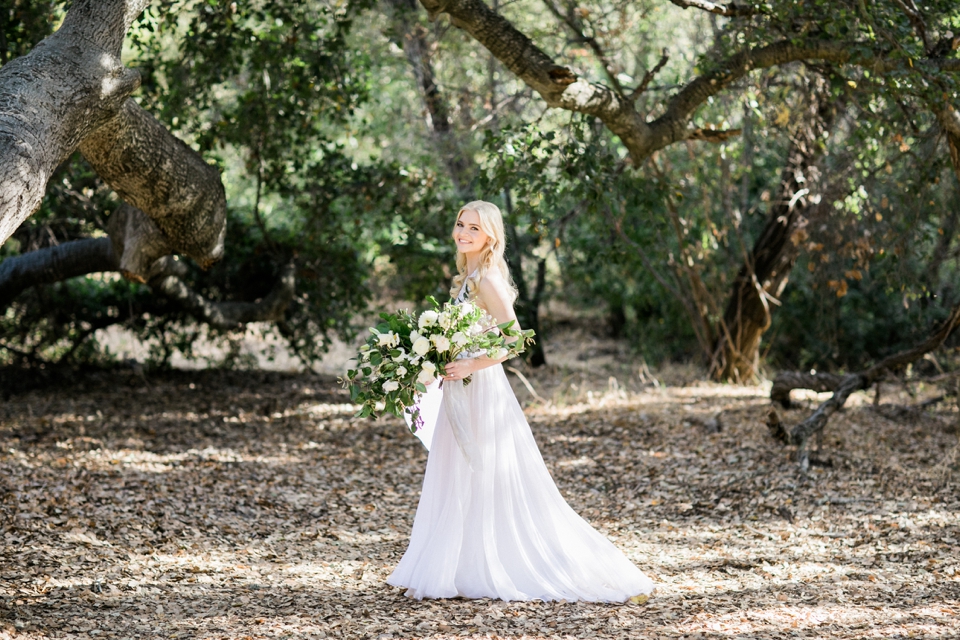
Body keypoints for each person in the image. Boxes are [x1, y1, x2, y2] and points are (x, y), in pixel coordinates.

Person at [387, 200, 655, 602]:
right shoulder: (466, 277)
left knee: (484, 470)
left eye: (474, 228)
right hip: (460, 385)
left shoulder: (489, 280)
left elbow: (514, 341)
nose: (463, 232)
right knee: (456, 470)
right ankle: (454, 564)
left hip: (481, 388)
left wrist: (470, 365)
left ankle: (494, 564)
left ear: (490, 236)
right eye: (461, 224)